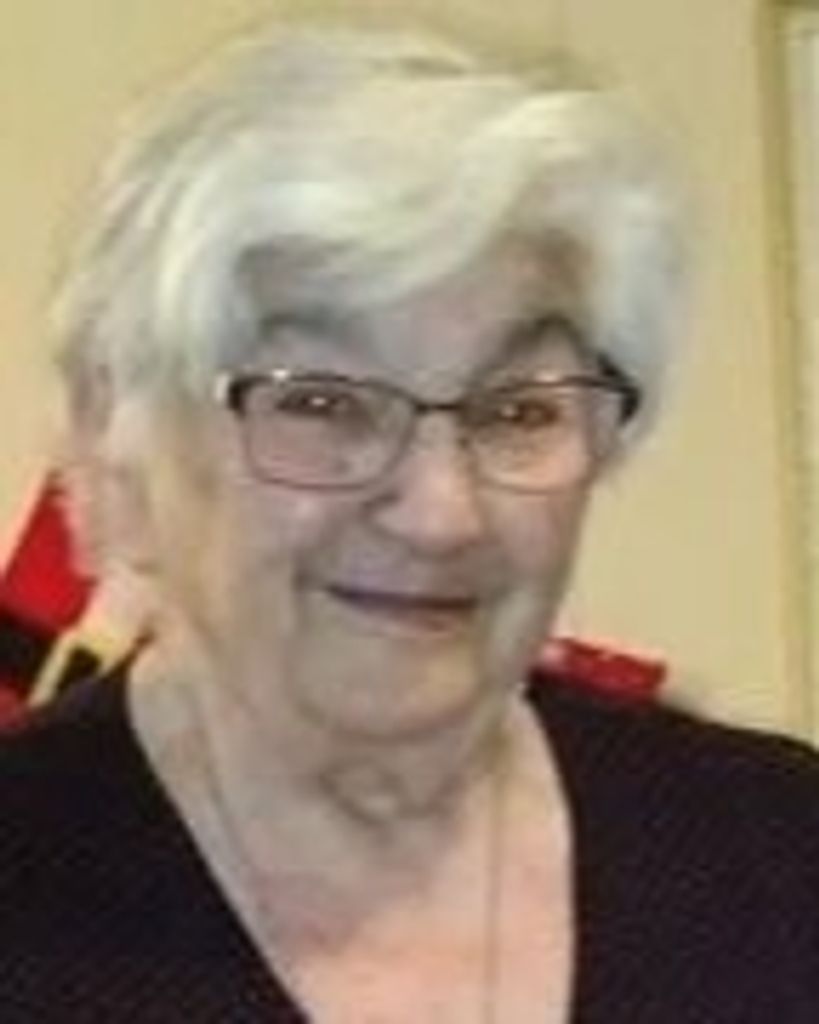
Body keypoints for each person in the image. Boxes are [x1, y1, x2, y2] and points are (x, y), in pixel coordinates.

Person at [1, 24, 817, 1024]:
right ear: (117, 430)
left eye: (517, 409)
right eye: (321, 402)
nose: (442, 512)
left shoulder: (777, 857)